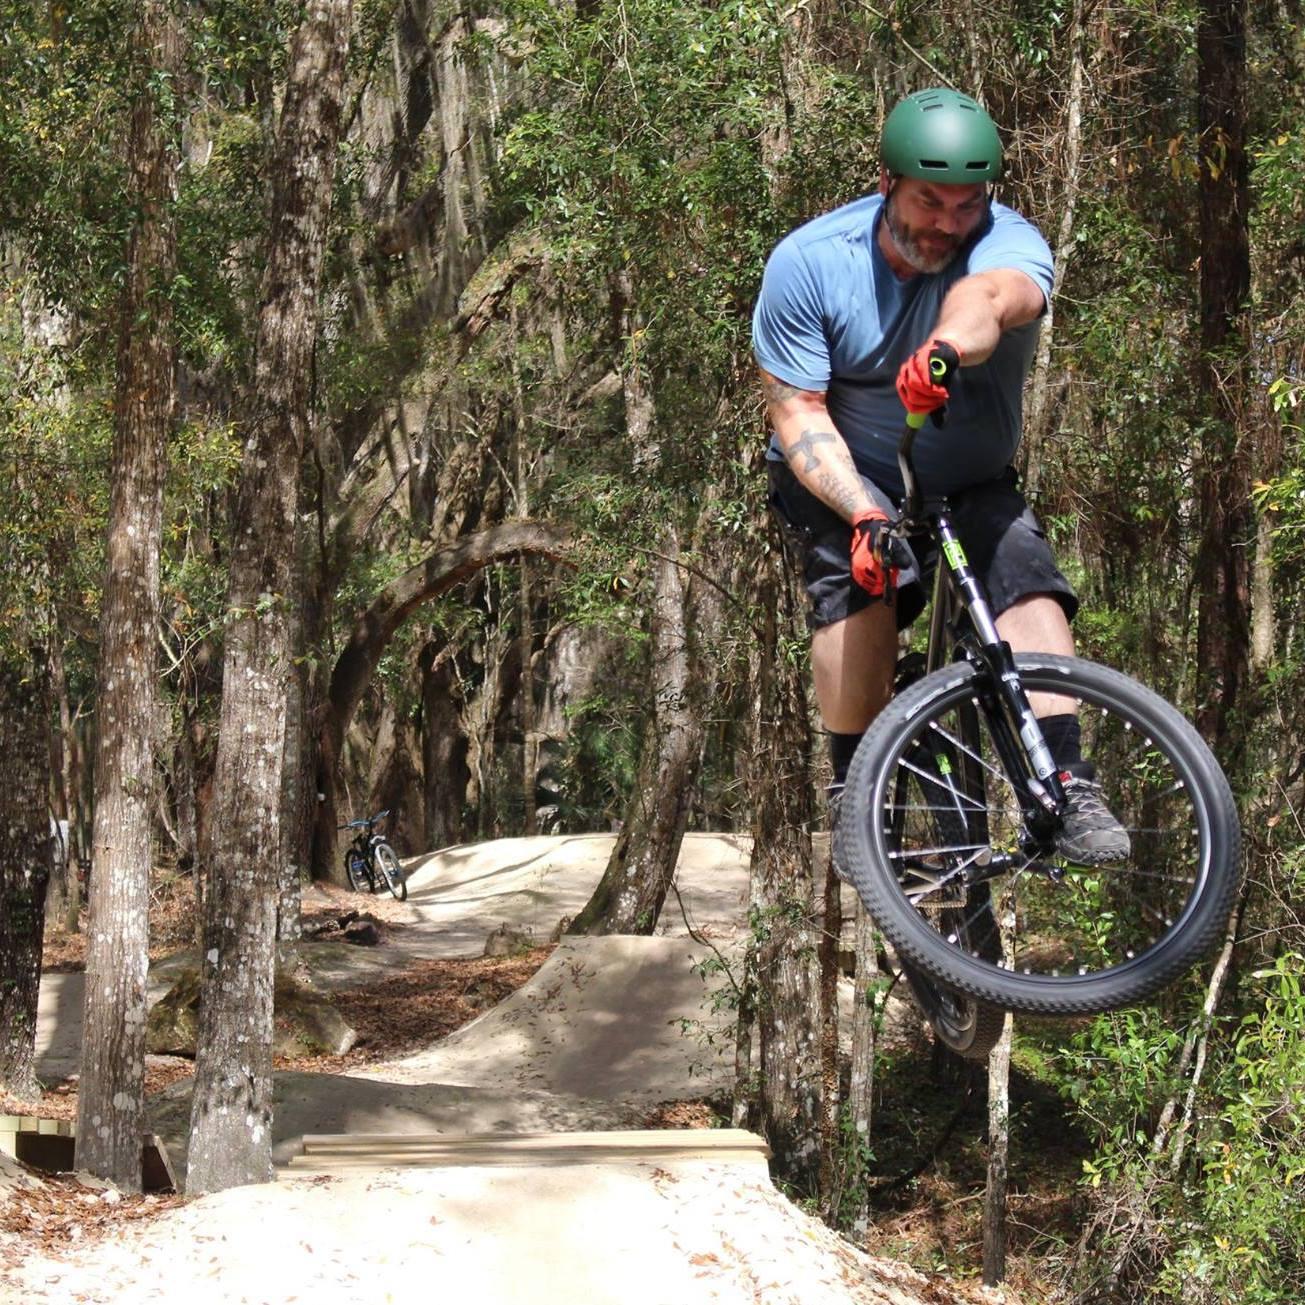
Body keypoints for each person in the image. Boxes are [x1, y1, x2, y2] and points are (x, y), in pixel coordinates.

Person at [751, 86, 1128, 869]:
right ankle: (857, 786)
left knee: (1021, 571)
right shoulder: (810, 263)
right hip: (850, 475)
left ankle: (1067, 781)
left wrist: (944, 351)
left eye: (965, 205)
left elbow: (990, 298)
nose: (947, 224)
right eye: (930, 202)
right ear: (886, 183)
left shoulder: (1006, 241)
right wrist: (860, 512)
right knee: (859, 582)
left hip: (969, 475)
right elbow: (795, 411)